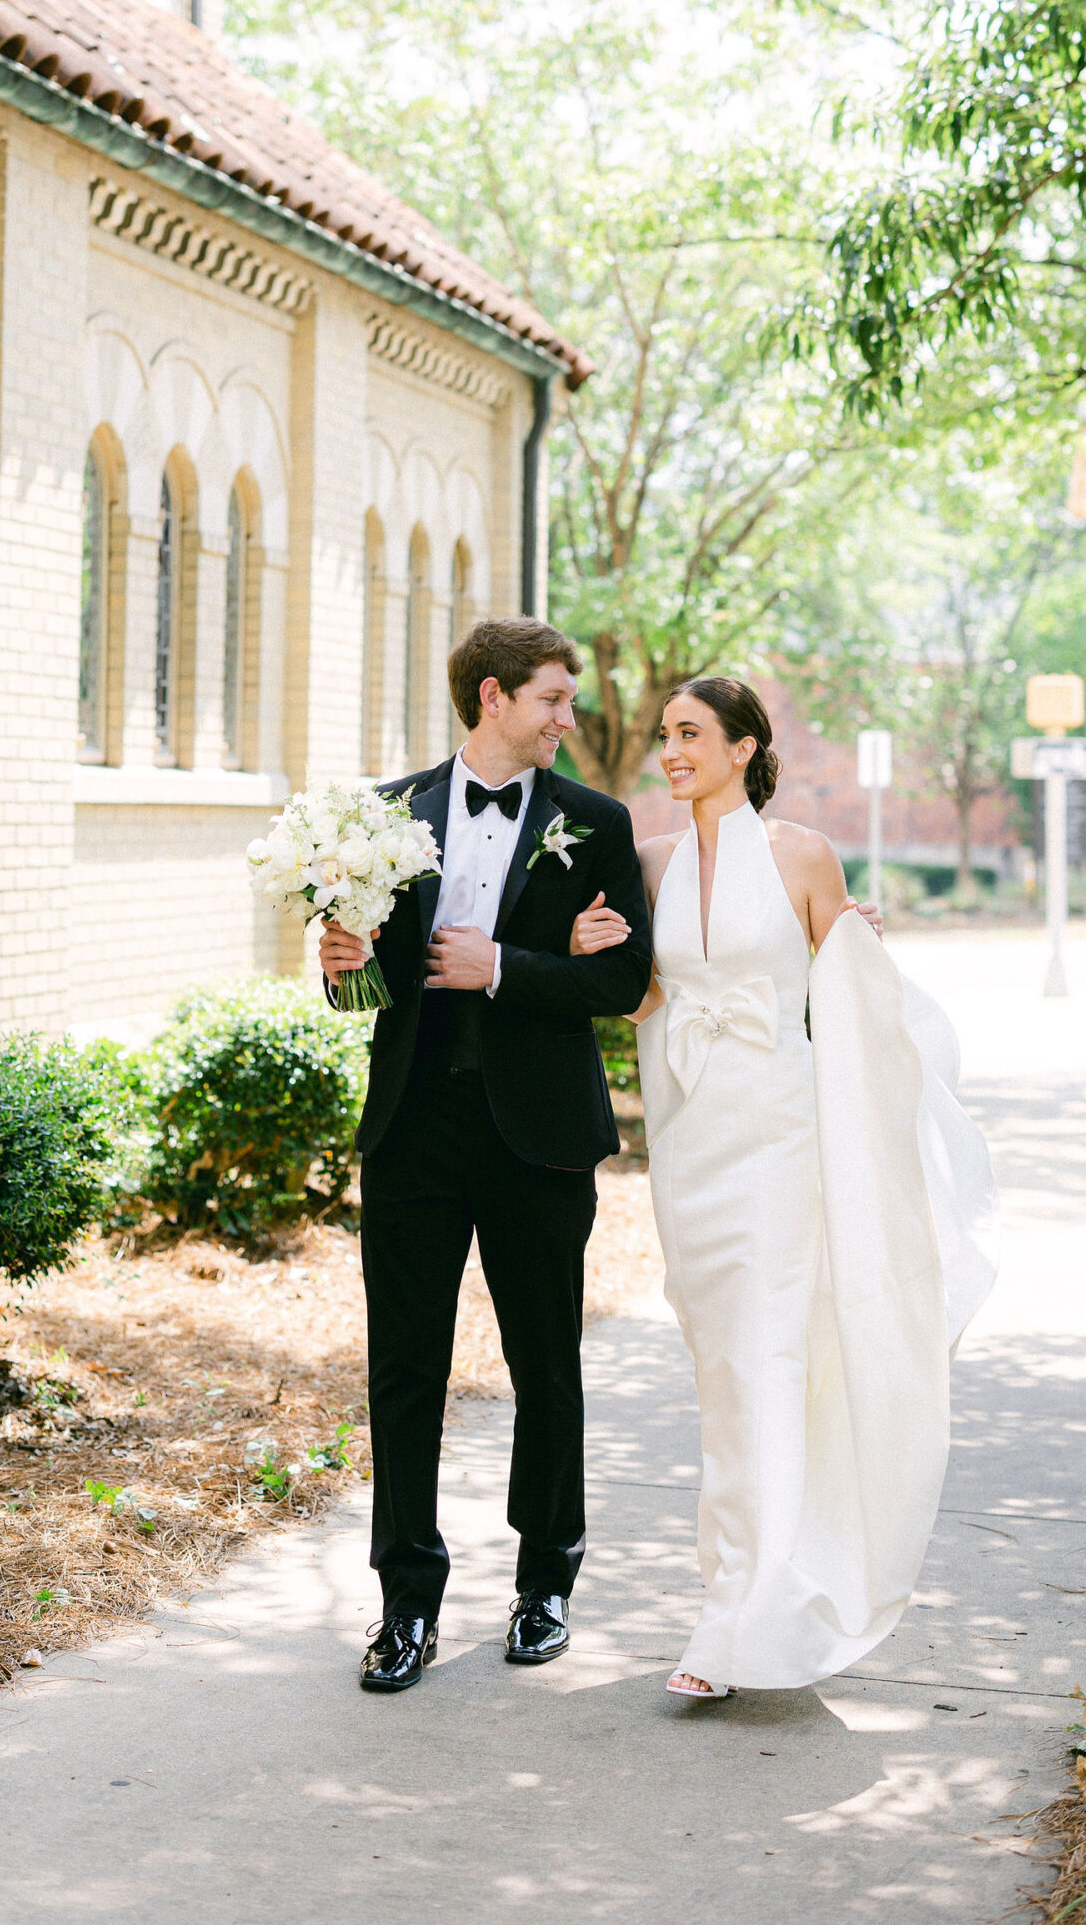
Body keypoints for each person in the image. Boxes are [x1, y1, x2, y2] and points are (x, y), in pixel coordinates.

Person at [569, 677, 998, 1700]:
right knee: (726, 1368)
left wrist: (862, 944)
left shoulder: (804, 853)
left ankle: (738, 1622)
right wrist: (593, 952)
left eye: (689, 735)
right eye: (667, 736)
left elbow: (845, 993)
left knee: (768, 1358)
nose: (670, 752)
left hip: (781, 1139)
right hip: (689, 1141)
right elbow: (643, 1002)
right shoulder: (649, 861)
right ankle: (754, 1588)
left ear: (742, 746)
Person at [319, 617, 652, 1696]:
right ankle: (405, 1602)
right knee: (405, 1369)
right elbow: (358, 993)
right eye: (555, 698)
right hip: (413, 1125)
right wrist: (341, 964)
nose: (570, 717)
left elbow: (620, 981)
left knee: (544, 1362)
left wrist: (504, 965)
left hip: (541, 1134)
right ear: (494, 697)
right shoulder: (383, 816)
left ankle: (546, 1583)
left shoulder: (595, 825)